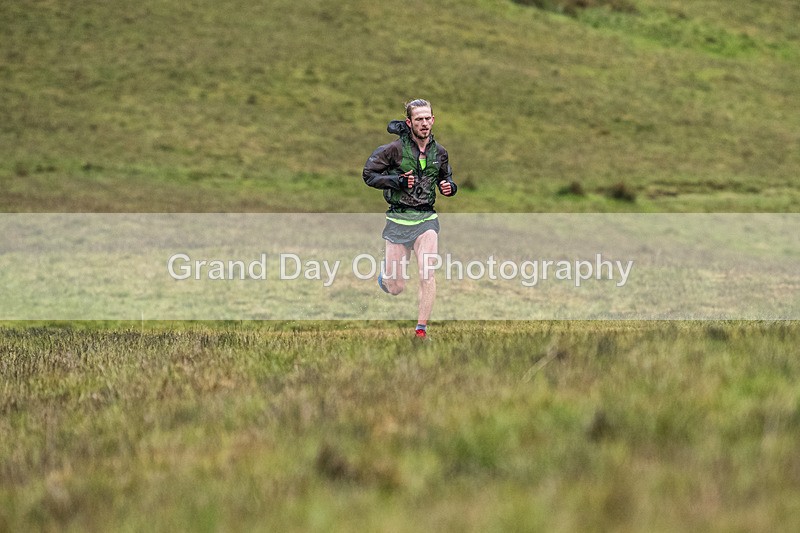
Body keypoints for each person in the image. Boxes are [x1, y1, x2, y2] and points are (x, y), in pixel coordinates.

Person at [362, 99, 458, 339]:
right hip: (398, 220)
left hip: (426, 219)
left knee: (427, 273)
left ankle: (421, 331)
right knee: (396, 287)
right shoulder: (393, 150)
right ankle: (385, 279)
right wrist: (398, 181)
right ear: (409, 122)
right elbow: (369, 174)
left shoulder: (440, 153)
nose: (424, 123)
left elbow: (445, 177)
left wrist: (449, 186)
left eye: (427, 119)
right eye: (418, 119)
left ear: (433, 120)